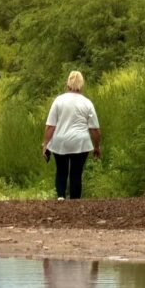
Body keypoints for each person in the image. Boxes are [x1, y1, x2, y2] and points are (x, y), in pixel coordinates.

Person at [42, 70, 100, 200]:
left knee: (61, 170)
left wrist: (45, 144)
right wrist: (97, 147)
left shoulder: (58, 101)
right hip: (80, 142)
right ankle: (75, 201)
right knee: (76, 173)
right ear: (82, 84)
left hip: (60, 141)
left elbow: (51, 126)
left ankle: (61, 197)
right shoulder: (87, 103)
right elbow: (94, 129)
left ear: (67, 83)